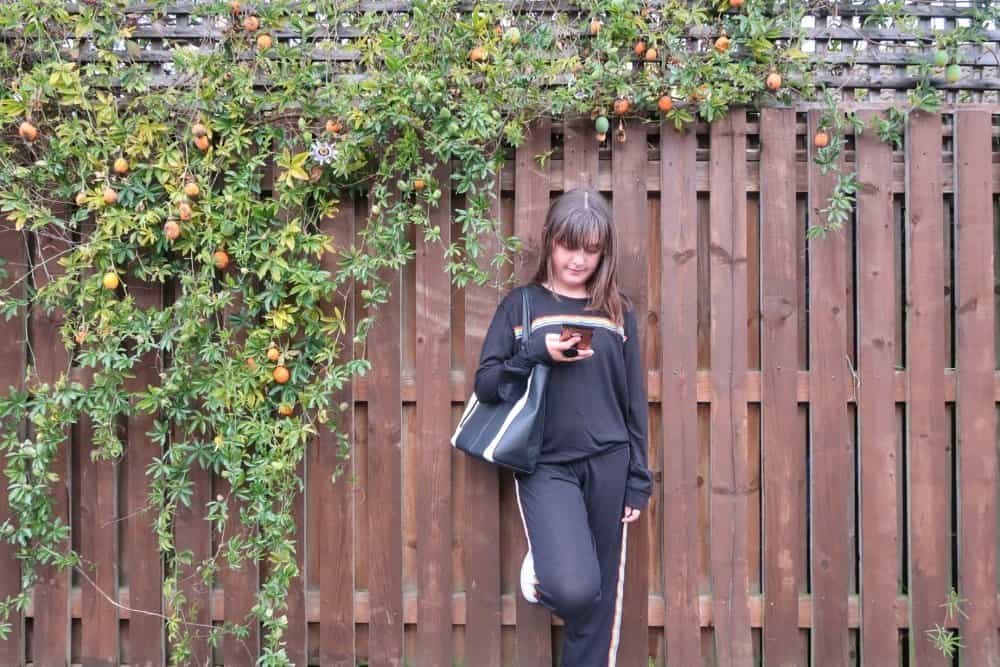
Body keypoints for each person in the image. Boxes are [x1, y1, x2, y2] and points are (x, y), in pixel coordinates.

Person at [473, 187, 653, 666]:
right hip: (545, 465)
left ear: (603, 252)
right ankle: (546, 573)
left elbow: (633, 400)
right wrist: (536, 352)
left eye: (590, 250)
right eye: (569, 246)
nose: (578, 260)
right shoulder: (522, 306)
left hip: (610, 465)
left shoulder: (618, 312)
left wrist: (639, 479)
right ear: (550, 240)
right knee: (573, 591)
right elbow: (487, 384)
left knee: (598, 606)